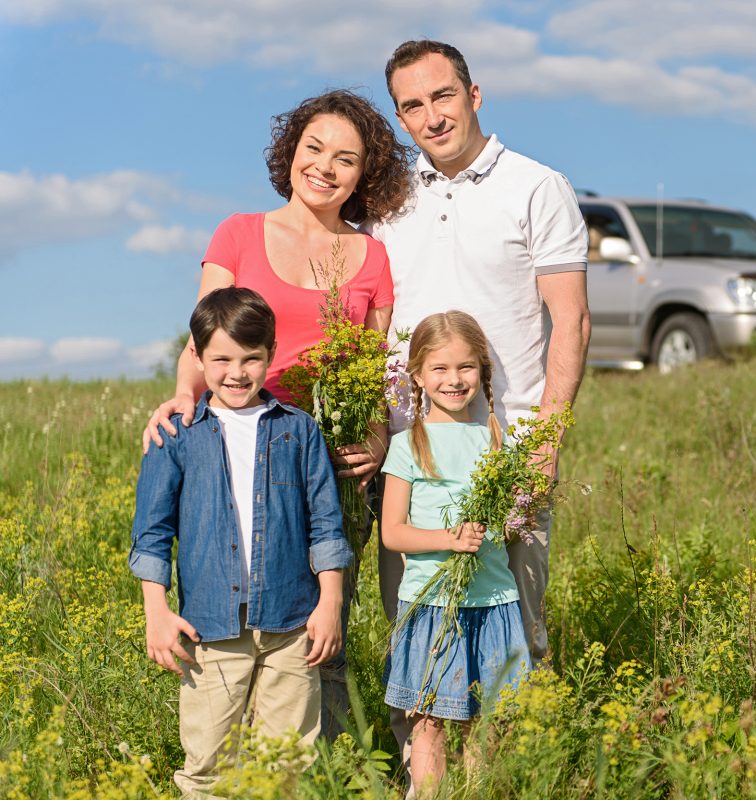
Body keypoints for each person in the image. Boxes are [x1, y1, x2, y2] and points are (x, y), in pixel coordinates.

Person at [141, 89, 412, 736]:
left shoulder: (371, 256)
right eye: (313, 148)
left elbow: (371, 365)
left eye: (345, 158)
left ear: (362, 174)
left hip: (325, 458)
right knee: (233, 622)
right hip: (234, 441)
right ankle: (229, 761)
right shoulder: (238, 232)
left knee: (322, 634)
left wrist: (375, 437)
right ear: (290, 151)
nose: (324, 166)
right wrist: (185, 396)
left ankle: (330, 771)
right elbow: (199, 343)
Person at [368, 36, 589, 678]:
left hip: (507, 448)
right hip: (413, 452)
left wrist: (544, 442)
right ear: (401, 119)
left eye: (442, 96)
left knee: (516, 641)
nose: (432, 117)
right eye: (412, 107)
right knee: (413, 634)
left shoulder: (537, 187)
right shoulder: (387, 198)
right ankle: (424, 773)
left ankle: (508, 769)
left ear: (473, 95)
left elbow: (571, 321)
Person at [129, 287, 352, 796]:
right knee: (208, 763)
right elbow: (152, 532)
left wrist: (331, 602)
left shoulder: (300, 431)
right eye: (221, 358)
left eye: (251, 359)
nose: (237, 372)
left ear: (270, 355)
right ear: (197, 357)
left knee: (285, 766)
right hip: (209, 628)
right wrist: (156, 613)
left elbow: (325, 525)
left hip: (293, 624)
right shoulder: (176, 434)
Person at [378, 311, 529, 796]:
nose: (454, 379)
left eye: (465, 367)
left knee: (485, 723)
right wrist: (449, 539)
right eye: (439, 369)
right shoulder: (407, 445)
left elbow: (505, 527)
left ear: (482, 372)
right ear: (417, 375)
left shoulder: (497, 443)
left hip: (492, 600)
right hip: (431, 604)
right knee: (428, 722)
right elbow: (393, 534)